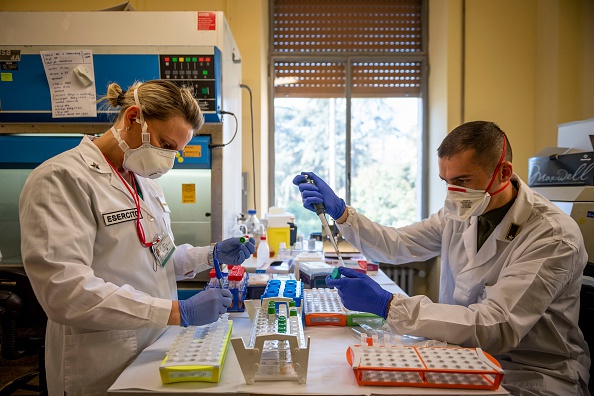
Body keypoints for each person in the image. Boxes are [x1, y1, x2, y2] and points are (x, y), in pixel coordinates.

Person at [294, 121, 590, 395]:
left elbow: (495, 325)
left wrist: (389, 305)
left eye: (462, 179)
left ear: (503, 172)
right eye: (446, 180)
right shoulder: (462, 211)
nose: (453, 192)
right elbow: (399, 244)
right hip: (468, 358)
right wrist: (343, 214)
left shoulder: (552, 235)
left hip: (531, 376)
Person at [19, 80, 255, 395]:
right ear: (133, 118)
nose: (169, 158)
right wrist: (177, 311)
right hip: (99, 363)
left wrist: (210, 255)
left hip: (152, 351)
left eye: (177, 151)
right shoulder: (61, 179)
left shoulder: (144, 183)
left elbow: (160, 257)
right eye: (165, 144)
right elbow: (66, 293)